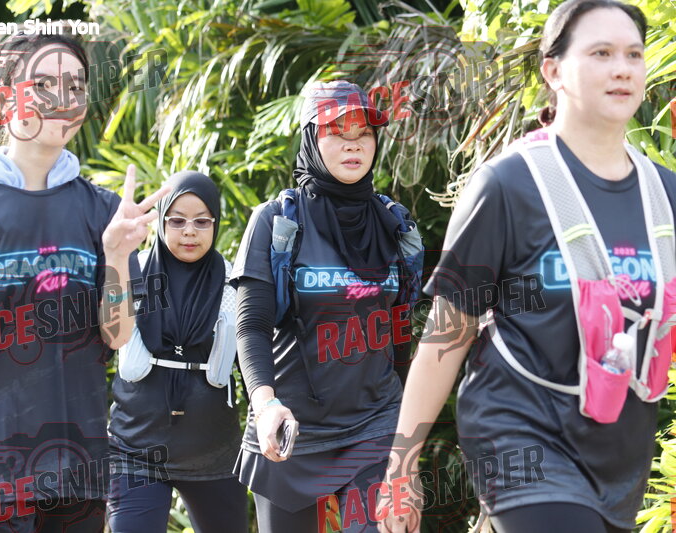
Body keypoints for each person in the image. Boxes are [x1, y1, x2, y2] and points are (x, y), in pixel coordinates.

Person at [377, 2, 675, 532]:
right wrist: (402, 466)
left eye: (633, 54)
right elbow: (448, 332)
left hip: (618, 455)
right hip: (517, 437)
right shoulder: (508, 186)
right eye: (601, 53)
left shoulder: (665, 195)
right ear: (553, 70)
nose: (623, 68)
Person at [0, 31, 167, 532]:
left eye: (76, 86)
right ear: (6, 98)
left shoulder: (105, 212)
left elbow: (117, 337)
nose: (61, 98)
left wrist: (116, 254)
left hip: (79, 476)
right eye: (43, 84)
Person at [232, 80, 422, 533]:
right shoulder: (277, 221)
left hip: (375, 426)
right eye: (337, 132)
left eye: (364, 133)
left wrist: (404, 429)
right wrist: (265, 404)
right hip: (290, 429)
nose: (353, 145)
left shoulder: (394, 224)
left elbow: (401, 327)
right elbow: (252, 325)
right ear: (311, 140)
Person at [106, 171, 249, 533]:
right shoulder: (131, 272)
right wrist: (115, 256)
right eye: (177, 220)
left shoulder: (234, 283)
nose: (189, 232)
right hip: (135, 452)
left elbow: (254, 360)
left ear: (216, 223)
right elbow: (105, 340)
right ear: (161, 221)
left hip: (213, 454)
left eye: (202, 221)